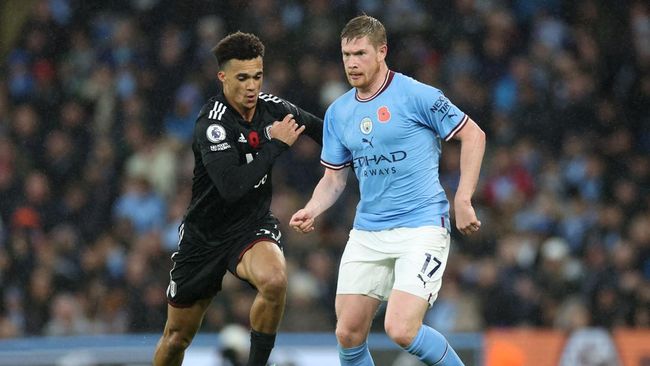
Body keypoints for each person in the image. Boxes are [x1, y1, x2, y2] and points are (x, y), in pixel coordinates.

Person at [290, 16, 485, 366]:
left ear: (382, 51)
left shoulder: (417, 95)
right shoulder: (338, 113)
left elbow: (474, 135)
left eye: (360, 53)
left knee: (401, 328)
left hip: (422, 225)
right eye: (346, 54)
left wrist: (463, 198)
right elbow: (334, 179)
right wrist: (312, 208)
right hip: (369, 230)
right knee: (348, 332)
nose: (351, 62)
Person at [153, 31, 322, 366]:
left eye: (257, 77)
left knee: (275, 281)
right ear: (223, 77)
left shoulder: (271, 107)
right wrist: (275, 144)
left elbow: (324, 130)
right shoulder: (212, 124)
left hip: (250, 227)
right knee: (176, 339)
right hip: (204, 237)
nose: (251, 86)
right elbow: (232, 187)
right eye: (242, 78)